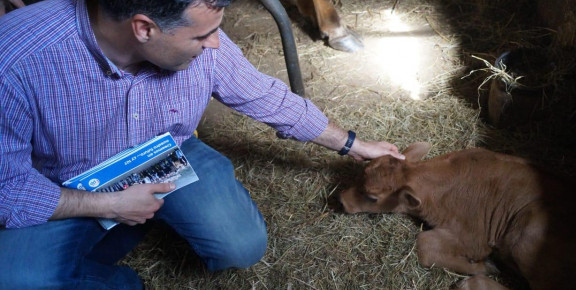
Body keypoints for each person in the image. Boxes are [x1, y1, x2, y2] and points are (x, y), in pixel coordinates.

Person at [0, 0, 405, 288]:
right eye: (204, 34)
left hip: (166, 153)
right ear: (144, 28)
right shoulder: (15, 60)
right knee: (17, 280)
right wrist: (106, 205)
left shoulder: (202, 40)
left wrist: (353, 144)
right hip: (64, 181)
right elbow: (7, 187)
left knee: (241, 245)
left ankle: (120, 235)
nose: (216, 44)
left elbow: (265, 95)